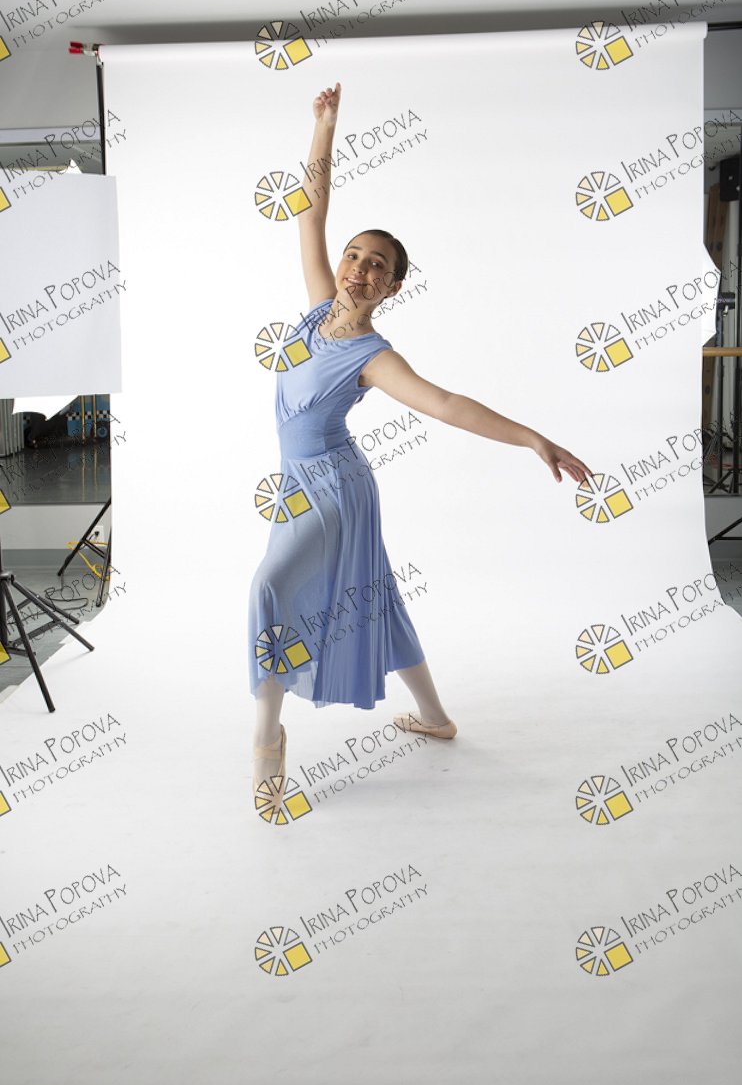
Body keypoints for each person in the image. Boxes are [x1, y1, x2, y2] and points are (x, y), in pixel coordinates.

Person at [249, 81, 592, 803]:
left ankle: (267, 738)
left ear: (392, 288)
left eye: (377, 265)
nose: (359, 267)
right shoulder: (315, 313)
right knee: (374, 598)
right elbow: (312, 212)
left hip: (333, 490)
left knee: (270, 588)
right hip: (301, 482)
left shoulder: (373, 356)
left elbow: (447, 405)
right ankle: (435, 718)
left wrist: (533, 438)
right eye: (354, 256)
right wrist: (325, 126)